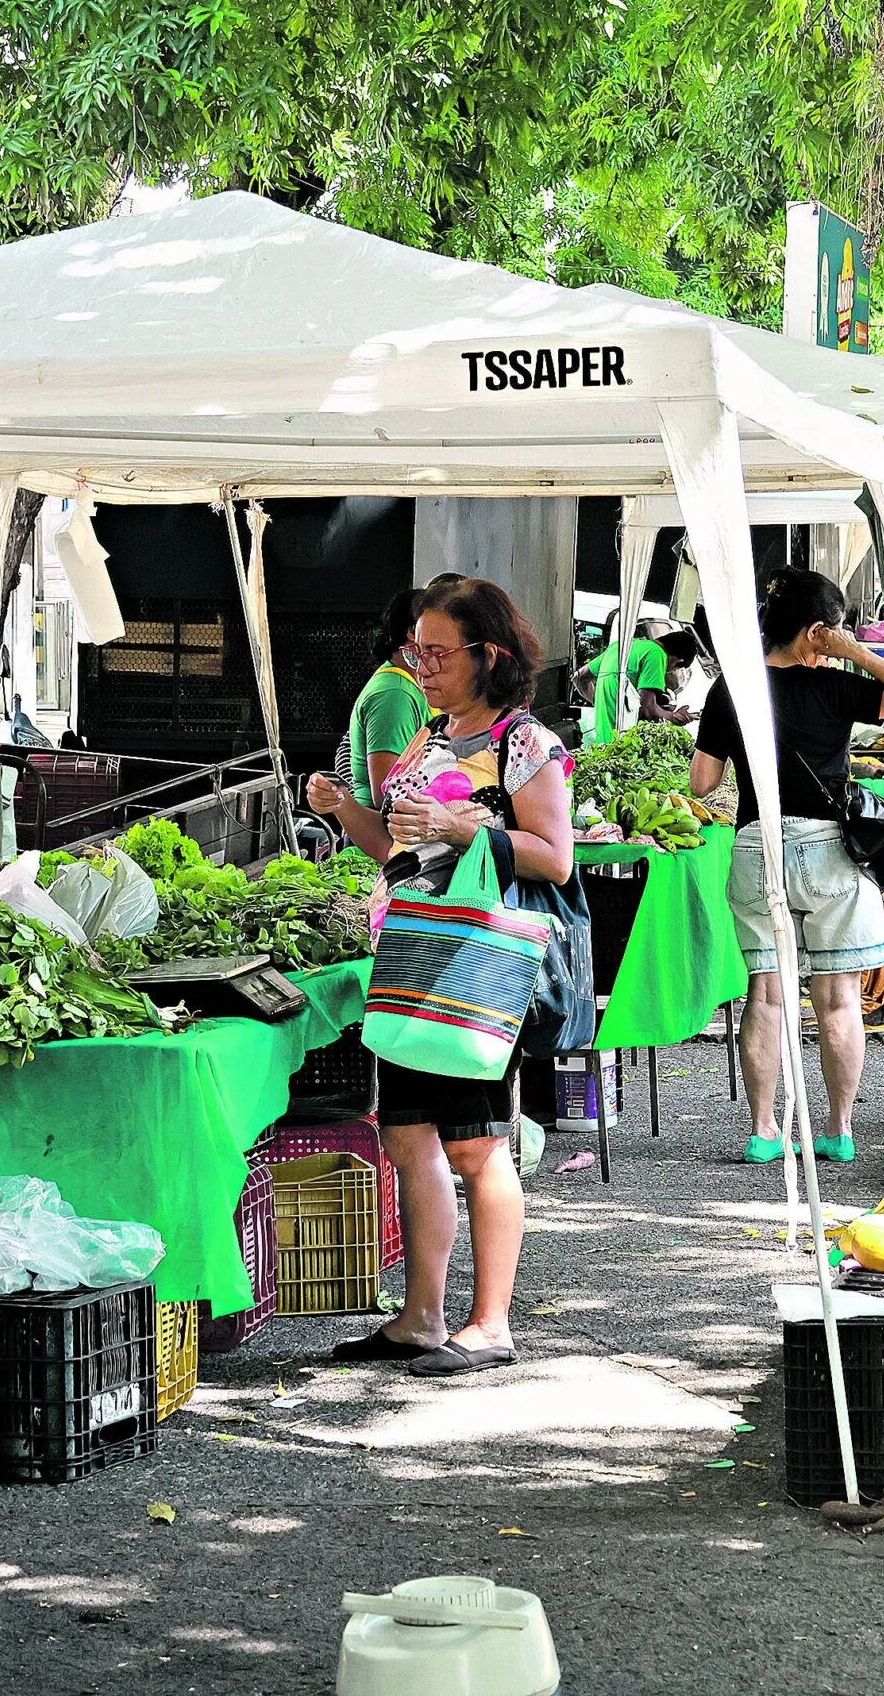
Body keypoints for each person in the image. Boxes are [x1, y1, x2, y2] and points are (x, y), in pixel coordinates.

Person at [305, 578, 572, 1378]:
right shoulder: (429, 733)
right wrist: (343, 809)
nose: (420, 662)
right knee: (407, 1133)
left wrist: (467, 825)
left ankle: (489, 1322)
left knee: (478, 1146)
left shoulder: (526, 743)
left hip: (477, 968)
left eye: (438, 650)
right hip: (413, 955)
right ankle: (422, 1315)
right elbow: (397, 852)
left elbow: (556, 856)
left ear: (488, 655)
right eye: (417, 648)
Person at [688, 570, 884, 1165]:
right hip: (827, 852)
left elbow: (702, 781)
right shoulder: (839, 688)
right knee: (840, 997)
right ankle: (839, 1130)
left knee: (764, 995)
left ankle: (764, 1129)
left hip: (755, 845)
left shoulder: (730, 690)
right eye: (835, 629)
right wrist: (851, 650)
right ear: (818, 631)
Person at [339, 587, 429, 805]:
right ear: (413, 632)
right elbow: (388, 795)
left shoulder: (410, 685)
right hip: (382, 832)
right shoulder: (395, 695)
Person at [586, 614, 690, 741]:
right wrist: (674, 717)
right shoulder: (656, 654)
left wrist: (599, 703)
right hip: (623, 744)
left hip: (602, 743)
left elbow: (579, 677)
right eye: (674, 668)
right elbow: (647, 708)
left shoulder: (619, 647)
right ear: (678, 661)